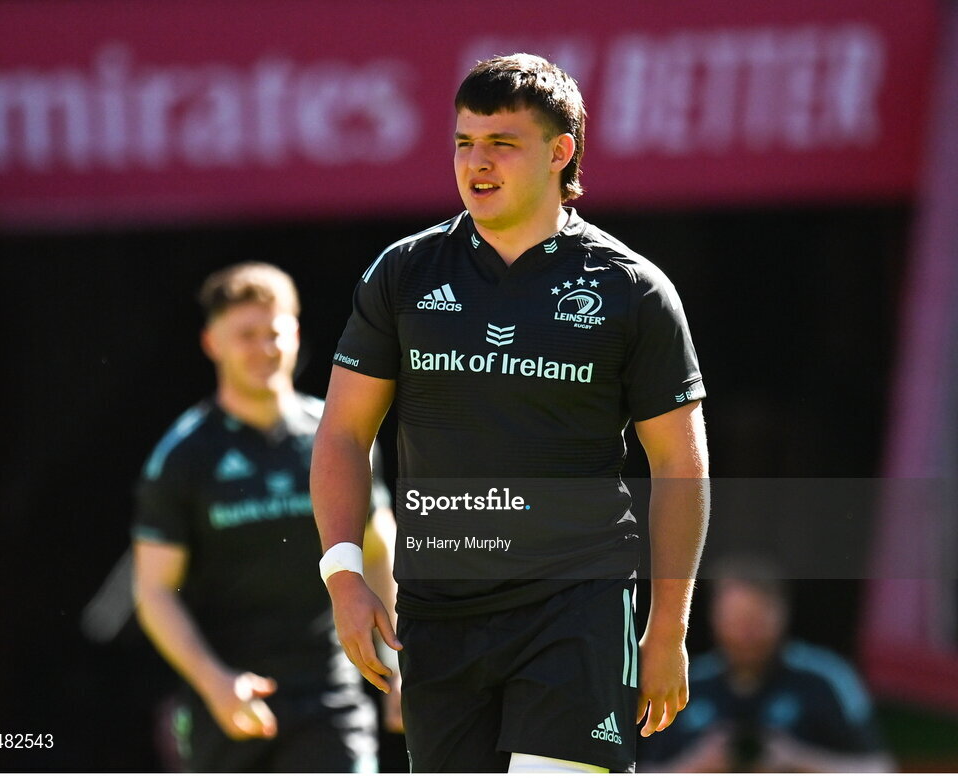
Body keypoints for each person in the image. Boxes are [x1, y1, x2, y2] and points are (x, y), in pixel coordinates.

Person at [311, 53, 709, 773]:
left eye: (502, 143)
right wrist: (343, 571)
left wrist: (667, 629)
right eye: (464, 142)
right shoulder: (403, 272)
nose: (476, 163)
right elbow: (342, 432)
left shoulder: (632, 290)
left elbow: (679, 463)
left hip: (576, 607)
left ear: (561, 153)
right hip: (436, 612)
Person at [131, 262, 400, 772]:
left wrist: (400, 666)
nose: (263, 349)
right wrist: (215, 683)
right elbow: (154, 591)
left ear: (296, 334)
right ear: (211, 343)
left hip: (331, 693)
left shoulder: (337, 438)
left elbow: (381, 552)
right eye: (245, 335)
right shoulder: (184, 455)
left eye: (274, 332)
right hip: (228, 701)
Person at [638, 560, 894, 772]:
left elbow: (878, 769)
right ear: (713, 617)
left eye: (756, 621)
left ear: (783, 614)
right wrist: (698, 764)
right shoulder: (686, 683)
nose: (746, 634)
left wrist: (795, 759)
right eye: (736, 621)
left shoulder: (826, 679)